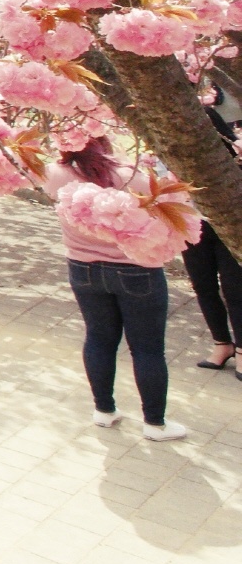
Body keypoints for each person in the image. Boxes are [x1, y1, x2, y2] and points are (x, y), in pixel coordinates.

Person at [44, 136, 189, 440]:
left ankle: (104, 410)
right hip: (136, 270)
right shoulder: (129, 175)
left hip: (83, 268)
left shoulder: (56, 174)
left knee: (98, 338)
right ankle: (155, 423)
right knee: (147, 348)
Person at [181, 88, 241, 374]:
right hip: (192, 224)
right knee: (203, 285)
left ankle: (241, 348)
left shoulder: (233, 162)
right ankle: (221, 343)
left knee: (235, 288)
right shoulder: (172, 153)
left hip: (228, 224)